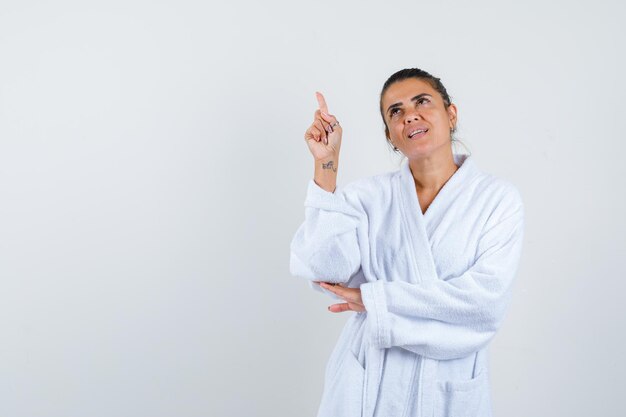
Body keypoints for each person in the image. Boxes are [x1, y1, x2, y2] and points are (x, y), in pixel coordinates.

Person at [289, 68, 525, 417]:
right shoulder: (368, 197)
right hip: (370, 380)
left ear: (451, 113)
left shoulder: (497, 200)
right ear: (390, 134)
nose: (409, 114)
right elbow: (327, 270)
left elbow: (483, 305)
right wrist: (327, 164)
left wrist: (375, 299)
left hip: (447, 385)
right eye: (395, 111)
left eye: (422, 101)